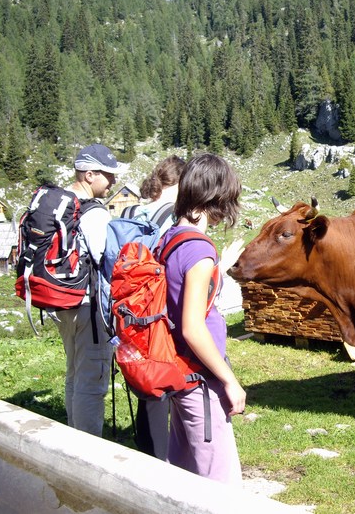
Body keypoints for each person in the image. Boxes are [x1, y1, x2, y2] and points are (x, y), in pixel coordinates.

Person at [163, 152, 245, 484]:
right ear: (215, 198)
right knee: (221, 486)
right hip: (200, 382)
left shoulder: (170, 239)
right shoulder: (198, 250)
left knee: (184, 475)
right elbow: (193, 327)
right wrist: (229, 380)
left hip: (178, 375)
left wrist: (219, 268)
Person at [57, 143, 128, 437]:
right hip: (88, 306)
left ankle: (74, 437)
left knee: (74, 370)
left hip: (62, 302)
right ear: (89, 175)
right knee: (93, 378)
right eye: (107, 175)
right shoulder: (93, 213)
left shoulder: (62, 204)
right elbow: (107, 259)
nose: (112, 182)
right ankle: (88, 451)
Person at [131, 154, 187, 461]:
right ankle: (160, 459)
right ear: (179, 183)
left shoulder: (132, 210)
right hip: (157, 310)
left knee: (143, 379)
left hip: (130, 310)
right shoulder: (168, 215)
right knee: (160, 382)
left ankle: (145, 445)